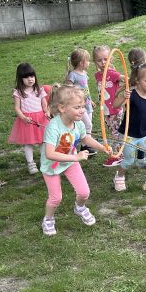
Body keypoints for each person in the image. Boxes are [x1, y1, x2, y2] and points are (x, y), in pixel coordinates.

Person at [40, 85, 110, 236]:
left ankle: (80, 208)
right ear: (62, 108)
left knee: (84, 192)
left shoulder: (79, 124)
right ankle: (48, 219)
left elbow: (86, 138)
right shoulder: (53, 127)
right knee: (56, 198)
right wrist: (76, 157)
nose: (82, 110)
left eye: (83, 106)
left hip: (70, 161)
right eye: (77, 107)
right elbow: (49, 154)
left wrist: (102, 147)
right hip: (52, 165)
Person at [112, 62, 146, 193]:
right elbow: (115, 105)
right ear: (137, 80)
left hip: (144, 134)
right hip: (129, 135)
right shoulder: (131, 94)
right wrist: (123, 97)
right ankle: (119, 177)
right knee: (128, 160)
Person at [8, 62, 51, 174]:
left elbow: (44, 104)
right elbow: (17, 108)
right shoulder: (18, 92)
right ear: (20, 79)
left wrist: (47, 112)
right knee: (28, 143)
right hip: (27, 121)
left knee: (43, 141)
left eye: (32, 76)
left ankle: (44, 161)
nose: (30, 79)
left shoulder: (39, 90)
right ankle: (31, 164)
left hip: (40, 119)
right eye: (26, 77)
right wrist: (23, 117)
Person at [93, 45, 124, 167]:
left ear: (110, 59)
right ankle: (119, 154)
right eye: (99, 60)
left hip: (114, 110)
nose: (103, 62)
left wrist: (122, 88)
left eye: (105, 59)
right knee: (113, 132)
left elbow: (125, 79)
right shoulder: (97, 75)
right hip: (105, 110)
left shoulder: (113, 74)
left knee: (115, 133)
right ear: (95, 61)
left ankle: (118, 155)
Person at [66, 48, 93, 135]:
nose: (89, 63)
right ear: (81, 62)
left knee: (87, 124)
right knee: (88, 125)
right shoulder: (73, 75)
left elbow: (86, 88)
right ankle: (87, 141)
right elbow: (68, 90)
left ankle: (84, 141)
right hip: (79, 105)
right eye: (88, 61)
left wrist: (90, 100)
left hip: (87, 103)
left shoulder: (84, 73)